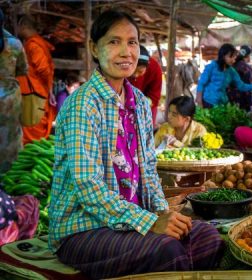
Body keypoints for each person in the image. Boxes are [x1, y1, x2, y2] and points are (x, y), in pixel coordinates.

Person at [48, 10, 224, 279]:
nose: (126, 51)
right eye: (114, 42)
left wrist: (163, 214)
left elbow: (149, 170)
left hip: (131, 222)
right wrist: (151, 222)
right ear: (94, 48)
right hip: (82, 229)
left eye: (132, 42)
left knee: (207, 237)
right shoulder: (83, 104)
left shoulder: (140, 104)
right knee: (167, 251)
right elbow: (88, 185)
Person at [16, 15, 56, 145]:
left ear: (24, 27)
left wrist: (45, 89)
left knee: (33, 137)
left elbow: (44, 70)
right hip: (34, 93)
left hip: (35, 95)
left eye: (19, 27)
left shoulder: (33, 45)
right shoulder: (34, 43)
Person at [0, 9, 28, 173]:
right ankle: (9, 176)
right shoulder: (14, 44)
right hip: (10, 98)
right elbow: (23, 70)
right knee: (10, 138)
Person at [196, 43, 252, 108]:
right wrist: (199, 101)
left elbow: (241, 86)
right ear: (223, 56)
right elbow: (201, 83)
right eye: (231, 57)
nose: (233, 60)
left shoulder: (231, 71)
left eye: (234, 57)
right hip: (207, 103)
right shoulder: (212, 66)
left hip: (222, 104)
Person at [129, 45, 162, 127]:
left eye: (140, 71)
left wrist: (139, 105)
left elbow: (154, 97)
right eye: (133, 71)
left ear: (147, 66)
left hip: (147, 106)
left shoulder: (155, 69)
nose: (136, 75)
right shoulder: (124, 68)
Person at [227, 45, 252, 111]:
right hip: (242, 104)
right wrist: (251, 105)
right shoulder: (246, 68)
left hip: (230, 102)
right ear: (248, 56)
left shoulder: (231, 67)